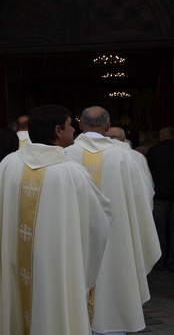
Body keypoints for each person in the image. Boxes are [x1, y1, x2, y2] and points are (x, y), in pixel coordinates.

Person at [0, 105, 111, 335]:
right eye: (70, 125)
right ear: (58, 131)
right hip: (56, 272)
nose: (75, 129)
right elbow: (98, 224)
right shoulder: (72, 173)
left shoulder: (8, 165)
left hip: (16, 267)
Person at [65, 107, 160, 335]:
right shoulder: (124, 157)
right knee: (113, 281)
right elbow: (143, 199)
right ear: (107, 127)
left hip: (75, 242)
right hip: (116, 241)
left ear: (80, 125)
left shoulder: (66, 155)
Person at [147, 125, 174, 271]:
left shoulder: (154, 152)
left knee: (159, 231)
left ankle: (160, 260)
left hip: (159, 195)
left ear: (162, 136)